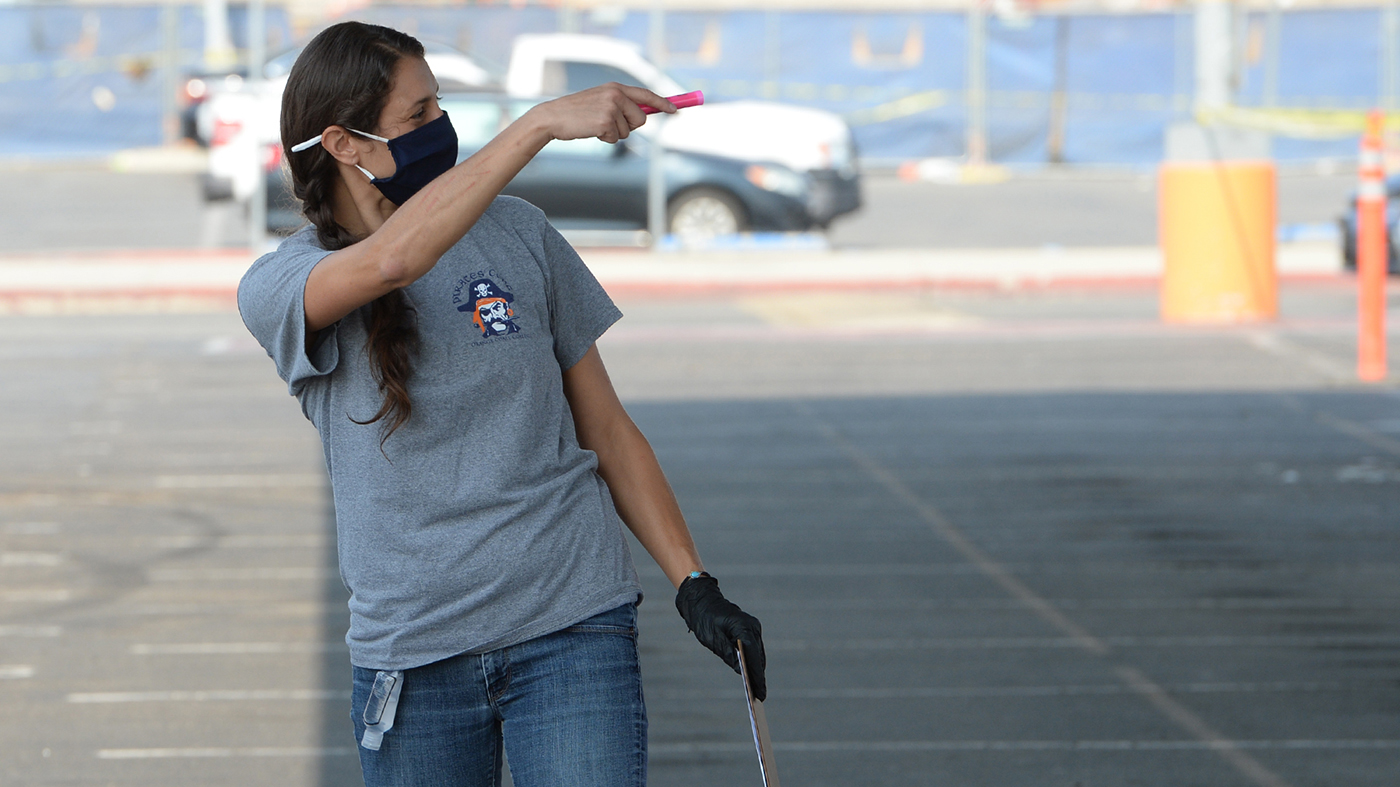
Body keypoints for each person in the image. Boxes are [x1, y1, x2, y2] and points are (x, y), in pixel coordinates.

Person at [236, 21, 766, 787]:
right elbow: (394, 259)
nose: (439, 130)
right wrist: (543, 122)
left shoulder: (520, 233)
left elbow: (608, 431)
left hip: (571, 623)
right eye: (416, 118)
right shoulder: (283, 286)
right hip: (412, 659)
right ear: (344, 144)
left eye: (437, 107)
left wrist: (695, 584)